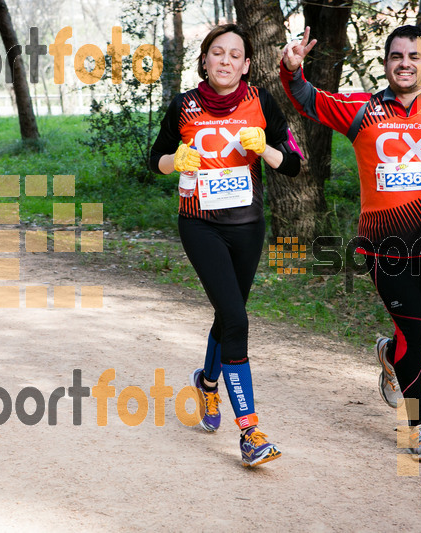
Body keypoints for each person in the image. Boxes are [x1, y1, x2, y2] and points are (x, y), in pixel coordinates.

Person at [280, 25, 421, 460]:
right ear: (386, 63)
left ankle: (388, 354)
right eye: (396, 56)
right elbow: (308, 99)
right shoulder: (360, 109)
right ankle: (419, 428)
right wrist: (292, 71)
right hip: (384, 248)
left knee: (417, 338)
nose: (405, 63)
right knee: (412, 336)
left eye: (414, 56)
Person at [149, 24, 302, 467]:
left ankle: (208, 383)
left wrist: (268, 152)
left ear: (247, 65)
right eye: (218, 53)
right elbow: (153, 159)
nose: (226, 61)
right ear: (205, 60)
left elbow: (293, 162)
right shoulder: (184, 105)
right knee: (236, 317)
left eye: (236, 55)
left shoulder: (262, 102)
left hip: (248, 226)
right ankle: (251, 432)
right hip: (200, 225)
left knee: (228, 314)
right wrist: (172, 161)